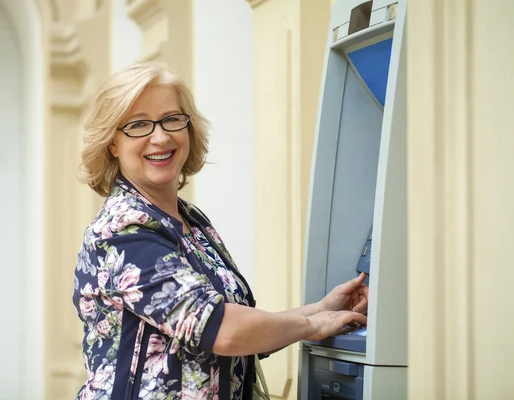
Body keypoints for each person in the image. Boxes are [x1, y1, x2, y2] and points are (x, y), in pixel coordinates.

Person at [72, 62, 369, 400]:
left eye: (171, 119)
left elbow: (236, 323)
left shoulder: (192, 221)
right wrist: (313, 326)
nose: (161, 136)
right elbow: (221, 329)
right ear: (113, 143)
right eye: (139, 125)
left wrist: (320, 309)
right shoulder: (121, 231)